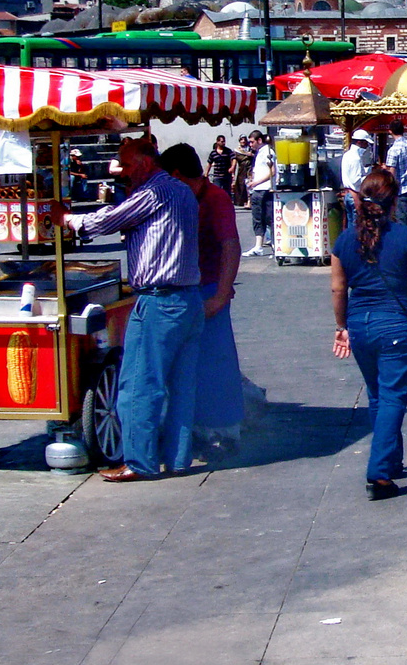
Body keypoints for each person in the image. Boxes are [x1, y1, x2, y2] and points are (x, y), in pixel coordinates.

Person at [52, 136, 202, 481]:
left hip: (160, 300)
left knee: (139, 384)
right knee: (180, 386)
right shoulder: (181, 191)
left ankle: (139, 462)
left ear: (146, 164)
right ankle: (178, 458)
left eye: (127, 165)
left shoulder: (154, 192)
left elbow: (103, 223)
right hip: (187, 299)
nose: (123, 173)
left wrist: (67, 219)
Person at [332, 167, 407, 499]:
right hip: (395, 326)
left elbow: (338, 289)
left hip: (359, 325)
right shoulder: (406, 237)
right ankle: (380, 472)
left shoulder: (343, 241)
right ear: (394, 201)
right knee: (394, 398)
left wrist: (341, 327)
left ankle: (392, 460)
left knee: (377, 396)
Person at [159, 144, 245, 457]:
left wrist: (221, 294)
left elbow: (231, 246)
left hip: (209, 289)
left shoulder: (215, 198)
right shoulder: (176, 198)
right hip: (182, 288)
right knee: (186, 365)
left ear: (178, 175)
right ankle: (190, 428)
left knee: (217, 360)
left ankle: (224, 428)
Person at [242, 132, 276, 256]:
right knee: (257, 218)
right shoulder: (260, 153)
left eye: (252, 142)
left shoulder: (268, 152)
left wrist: (256, 182)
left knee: (269, 218)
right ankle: (258, 246)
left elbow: (272, 171)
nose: (250, 144)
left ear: (259, 140)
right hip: (257, 189)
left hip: (264, 189)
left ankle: (275, 245)